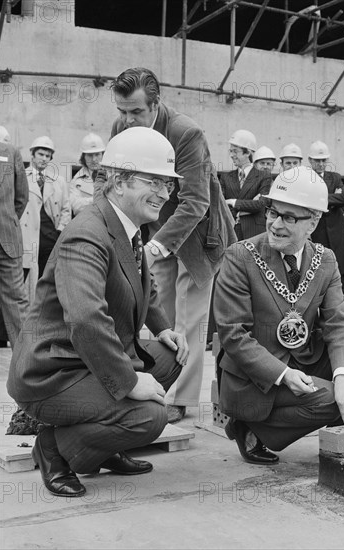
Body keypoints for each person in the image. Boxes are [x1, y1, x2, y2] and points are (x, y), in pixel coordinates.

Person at [7, 127, 188, 498]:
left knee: (170, 356)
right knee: (149, 416)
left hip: (85, 360)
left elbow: (142, 288)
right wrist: (130, 381)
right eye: (152, 181)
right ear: (119, 181)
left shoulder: (128, 226)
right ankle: (54, 448)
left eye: (167, 184)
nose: (164, 193)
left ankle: (105, 444)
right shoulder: (87, 233)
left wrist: (163, 328)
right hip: (53, 372)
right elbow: (86, 318)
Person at [214, 166, 344, 463]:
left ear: (314, 221)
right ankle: (251, 428)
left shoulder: (325, 259)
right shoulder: (240, 257)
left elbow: (339, 323)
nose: (276, 224)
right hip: (256, 376)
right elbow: (234, 335)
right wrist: (283, 375)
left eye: (289, 217)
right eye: (272, 212)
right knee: (330, 399)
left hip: (302, 358)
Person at [110, 67, 236, 424]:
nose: (127, 119)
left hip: (199, 234)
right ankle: (161, 385)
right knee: (162, 318)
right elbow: (113, 184)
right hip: (156, 231)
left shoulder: (186, 132)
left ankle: (182, 399)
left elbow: (195, 202)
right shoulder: (121, 130)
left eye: (136, 112)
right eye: (122, 111)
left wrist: (157, 247)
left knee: (190, 321)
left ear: (156, 103)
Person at [307, 140, 344, 295]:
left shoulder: (335, 177)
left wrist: (318, 199)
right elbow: (307, 200)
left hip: (337, 237)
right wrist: (332, 199)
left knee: (340, 280)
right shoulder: (306, 178)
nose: (321, 164)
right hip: (316, 235)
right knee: (317, 279)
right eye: (317, 160)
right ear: (310, 160)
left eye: (323, 160)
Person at [0, 135, 29, 349]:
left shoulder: (10, 153)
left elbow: (21, 197)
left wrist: (5, 219)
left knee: (17, 304)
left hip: (6, 240)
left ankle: (27, 365)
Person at [25, 136, 71, 276]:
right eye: (40, 154)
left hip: (50, 238)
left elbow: (66, 209)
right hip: (27, 239)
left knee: (46, 277)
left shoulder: (59, 181)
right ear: (32, 155)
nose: (44, 158)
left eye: (47, 156)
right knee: (25, 279)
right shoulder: (20, 177)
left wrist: (59, 231)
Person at [220, 130, 272, 240]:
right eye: (230, 151)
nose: (232, 155)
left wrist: (233, 202)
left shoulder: (264, 177)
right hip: (230, 231)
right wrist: (249, 205)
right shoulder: (226, 177)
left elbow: (261, 204)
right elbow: (220, 205)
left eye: (235, 151)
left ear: (248, 152)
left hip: (254, 234)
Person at [69, 133, 105, 216]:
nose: (94, 159)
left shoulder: (112, 175)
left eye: (97, 154)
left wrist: (86, 201)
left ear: (103, 154)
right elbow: (76, 207)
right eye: (89, 155)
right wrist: (99, 199)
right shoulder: (76, 180)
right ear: (83, 157)